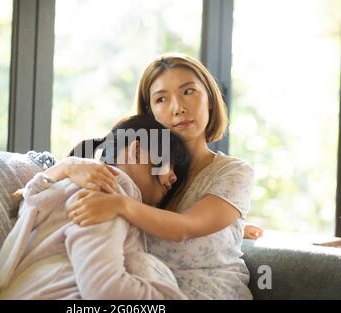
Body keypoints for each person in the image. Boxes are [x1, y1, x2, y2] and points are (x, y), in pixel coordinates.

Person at [46, 53, 259, 299]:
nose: (178, 108)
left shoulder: (233, 172)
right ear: (150, 112)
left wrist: (119, 205)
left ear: (210, 99)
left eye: (188, 92)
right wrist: (68, 167)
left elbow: (184, 228)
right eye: (161, 99)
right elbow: (42, 195)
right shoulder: (136, 172)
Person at [0, 115, 191, 300]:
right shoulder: (104, 196)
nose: (173, 177)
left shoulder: (82, 189)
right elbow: (106, 290)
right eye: (169, 163)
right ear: (136, 151)